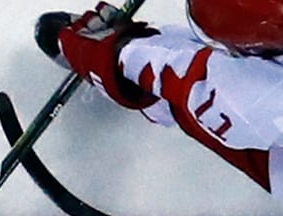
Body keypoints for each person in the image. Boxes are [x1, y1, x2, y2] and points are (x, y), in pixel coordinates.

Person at [38, 1, 283, 193]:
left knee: (212, 92)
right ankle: (143, 79)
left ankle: (142, 86)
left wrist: (112, 53)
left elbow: (190, 77)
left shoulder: (256, 96)